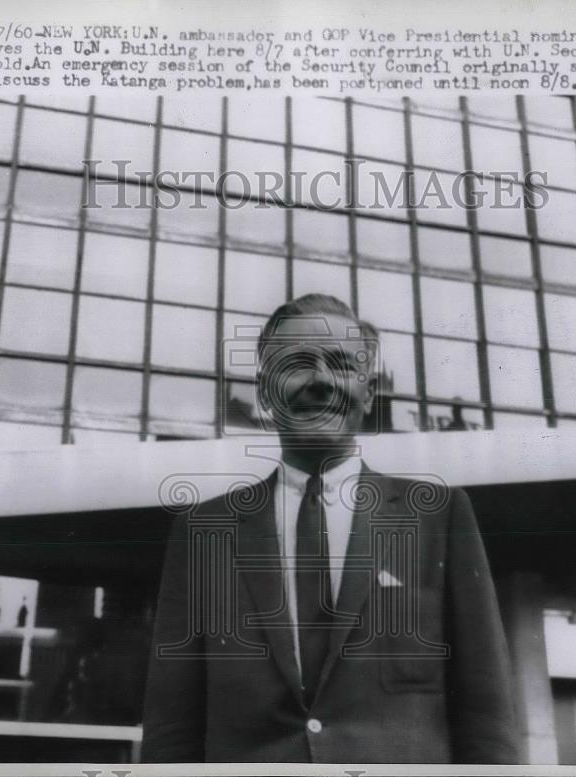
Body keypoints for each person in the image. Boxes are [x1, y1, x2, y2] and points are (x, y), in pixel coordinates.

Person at [141, 294, 519, 763]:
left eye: (340, 364)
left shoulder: (440, 517)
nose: (320, 380)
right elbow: (172, 730)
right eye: (297, 364)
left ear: (369, 389)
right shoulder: (203, 532)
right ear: (265, 392)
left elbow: (488, 720)